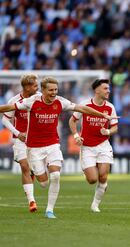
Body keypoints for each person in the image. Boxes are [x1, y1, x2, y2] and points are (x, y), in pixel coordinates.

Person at [0, 77, 118, 219]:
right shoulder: (32, 101)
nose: (54, 93)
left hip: (53, 144)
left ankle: (50, 210)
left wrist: (101, 115)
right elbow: (10, 108)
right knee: (43, 183)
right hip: (34, 147)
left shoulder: (60, 102)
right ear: (43, 90)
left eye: (56, 89)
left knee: (55, 176)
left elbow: (81, 108)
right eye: (50, 90)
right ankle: (36, 172)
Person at [68, 79, 118, 213]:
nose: (108, 91)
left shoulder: (110, 107)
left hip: (103, 145)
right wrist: (76, 136)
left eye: (108, 88)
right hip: (87, 147)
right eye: (105, 88)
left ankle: (95, 205)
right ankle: (89, 172)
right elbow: (72, 121)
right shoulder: (84, 105)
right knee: (92, 179)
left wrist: (107, 131)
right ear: (97, 90)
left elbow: (114, 127)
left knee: (103, 177)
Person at [2, 74, 39, 212]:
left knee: (34, 170)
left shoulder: (39, 97)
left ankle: (33, 174)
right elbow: (5, 120)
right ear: (27, 87)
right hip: (20, 139)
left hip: (37, 140)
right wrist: (18, 133)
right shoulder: (15, 100)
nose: (37, 88)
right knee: (24, 166)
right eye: (35, 85)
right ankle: (32, 201)